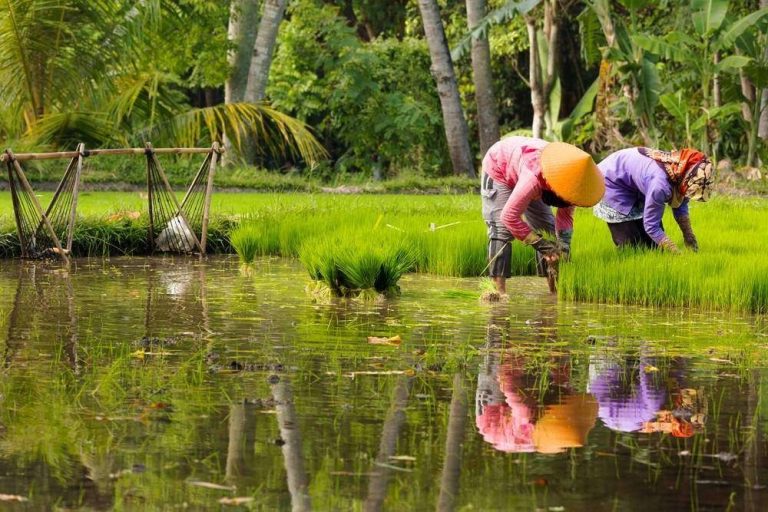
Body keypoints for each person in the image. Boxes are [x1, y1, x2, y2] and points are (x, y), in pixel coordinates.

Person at [481, 137, 604, 297]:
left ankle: (554, 293)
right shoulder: (533, 181)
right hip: (499, 167)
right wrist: (540, 244)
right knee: (501, 231)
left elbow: (564, 220)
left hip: (531, 174)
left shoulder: (573, 185)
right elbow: (509, 217)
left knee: (548, 230)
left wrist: (563, 249)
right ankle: (498, 294)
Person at [593, 147, 714, 252]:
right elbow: (651, 226)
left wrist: (689, 236)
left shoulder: (681, 174)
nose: (690, 193)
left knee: (654, 247)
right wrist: (675, 252)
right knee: (630, 246)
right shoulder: (660, 185)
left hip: (635, 182)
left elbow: (680, 205)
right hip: (611, 181)